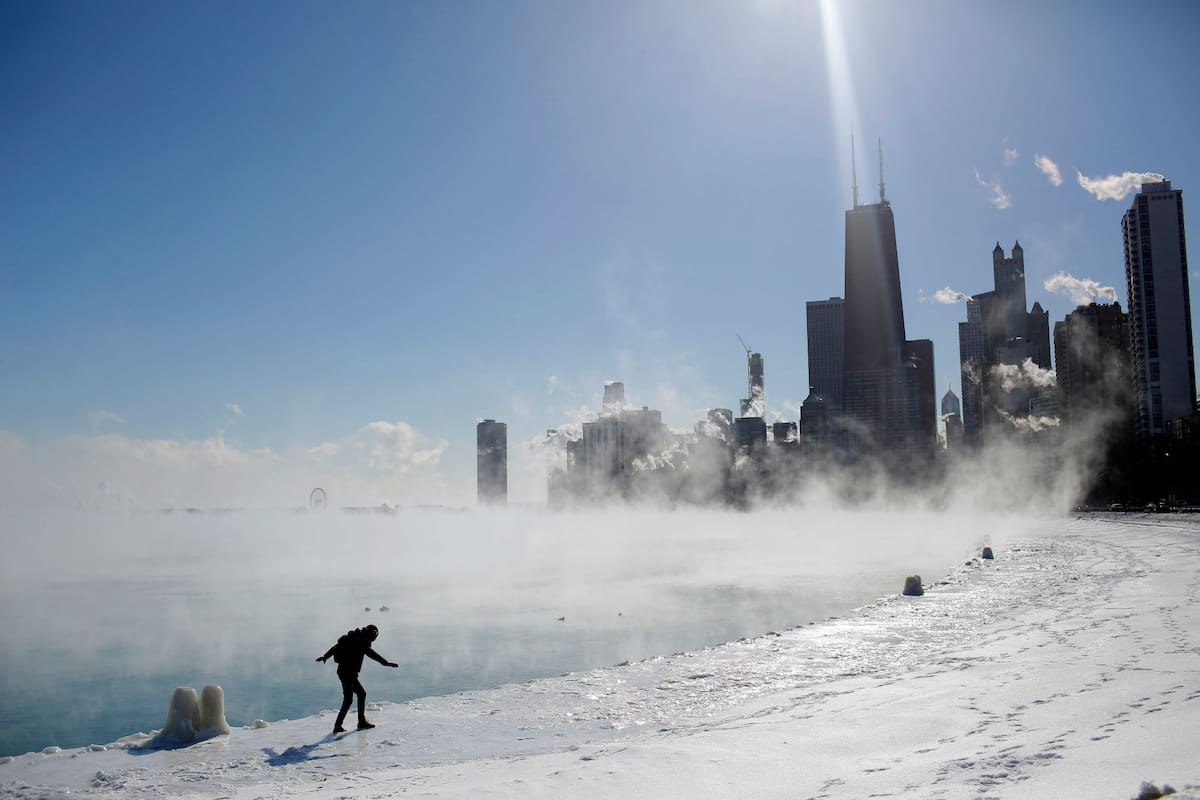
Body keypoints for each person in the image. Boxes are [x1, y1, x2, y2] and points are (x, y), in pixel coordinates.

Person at [316, 624, 398, 732]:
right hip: (348, 673)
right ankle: (356, 723)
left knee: (355, 696)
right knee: (353, 697)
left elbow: (335, 647)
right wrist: (386, 663)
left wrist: (325, 656)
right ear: (372, 635)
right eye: (374, 636)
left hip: (343, 672)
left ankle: (345, 724)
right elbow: (373, 655)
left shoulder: (354, 637)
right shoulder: (362, 642)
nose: (374, 639)